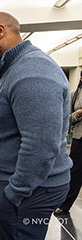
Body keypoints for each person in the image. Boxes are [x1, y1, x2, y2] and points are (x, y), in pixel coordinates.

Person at [0, 12, 72, 240]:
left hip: (31, 191)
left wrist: (14, 195)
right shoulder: (12, 69)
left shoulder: (33, 70)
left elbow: (41, 145)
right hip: (20, 184)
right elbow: (9, 123)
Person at [55, 73, 82, 214]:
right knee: (75, 173)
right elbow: (68, 118)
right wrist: (78, 113)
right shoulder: (75, 94)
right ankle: (65, 204)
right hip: (79, 137)